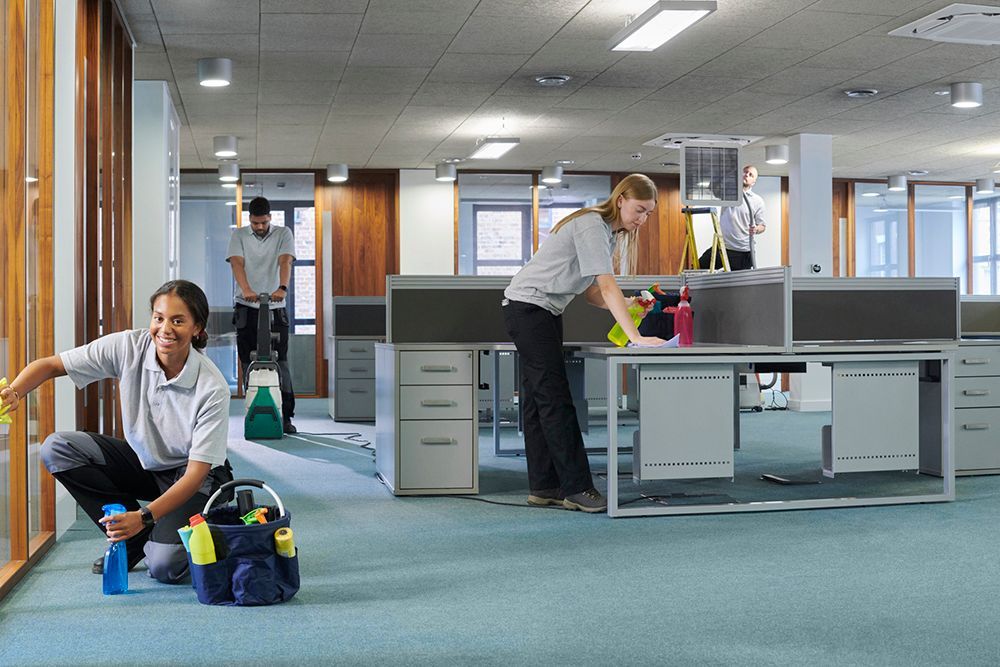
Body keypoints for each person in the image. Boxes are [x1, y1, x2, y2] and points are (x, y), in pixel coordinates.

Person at [0, 280, 233, 583]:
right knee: (58, 448)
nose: (165, 329)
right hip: (145, 463)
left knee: (165, 566)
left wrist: (144, 516)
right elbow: (52, 365)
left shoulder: (212, 387)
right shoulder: (128, 346)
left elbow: (195, 475)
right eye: (159, 318)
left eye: (178, 321)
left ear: (197, 328)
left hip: (193, 476)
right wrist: (15, 392)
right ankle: (134, 539)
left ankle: (207, 523)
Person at [502, 174, 665, 513]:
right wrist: (635, 337)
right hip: (530, 308)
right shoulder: (592, 224)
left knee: (539, 401)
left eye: (648, 213)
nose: (642, 219)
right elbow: (606, 286)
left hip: (541, 310)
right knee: (556, 400)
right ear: (621, 200)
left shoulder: (607, 234)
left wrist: (630, 304)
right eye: (639, 210)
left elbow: (592, 293)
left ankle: (544, 486)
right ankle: (578, 488)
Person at [227, 196, 297, 434]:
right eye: (255, 223)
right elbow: (236, 263)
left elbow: (285, 261)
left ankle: (286, 417)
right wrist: (246, 289)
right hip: (246, 306)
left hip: (275, 307)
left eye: (263, 222)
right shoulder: (239, 235)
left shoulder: (283, 233)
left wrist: (282, 288)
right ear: (249, 219)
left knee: (281, 361)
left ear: (270, 218)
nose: (259, 227)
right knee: (248, 361)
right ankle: (252, 411)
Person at [699, 164, 766, 271]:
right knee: (698, 267)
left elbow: (762, 226)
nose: (746, 175)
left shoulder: (757, 201)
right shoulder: (726, 194)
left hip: (742, 251)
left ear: (753, 182)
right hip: (723, 246)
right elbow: (713, 188)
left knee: (739, 281)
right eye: (745, 172)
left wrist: (756, 229)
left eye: (751, 175)